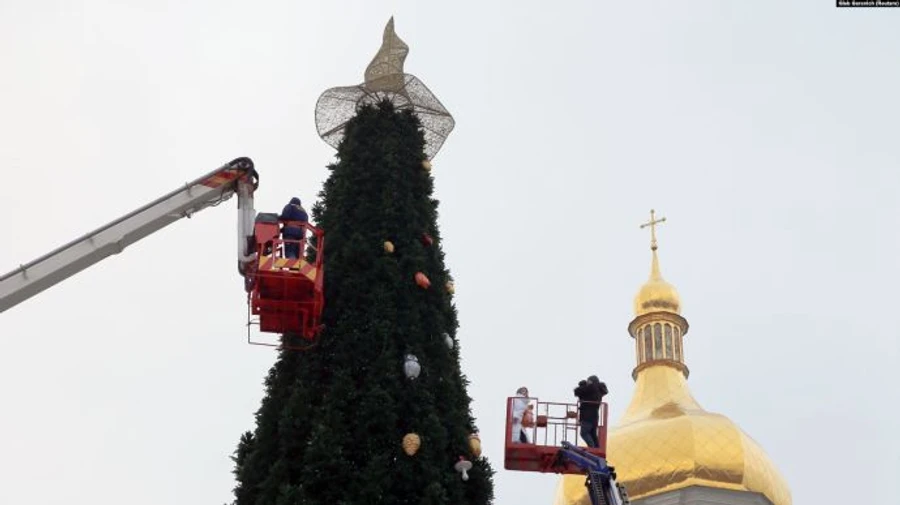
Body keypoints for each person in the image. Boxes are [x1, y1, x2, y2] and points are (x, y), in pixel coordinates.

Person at [574, 375, 608, 448]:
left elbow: (577, 391)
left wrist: (582, 385)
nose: (587, 382)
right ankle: (596, 448)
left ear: (592, 381)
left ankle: (592, 448)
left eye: (588, 381)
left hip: (587, 415)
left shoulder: (592, 387)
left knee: (584, 433)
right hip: (594, 416)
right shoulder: (598, 391)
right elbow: (583, 395)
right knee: (592, 434)